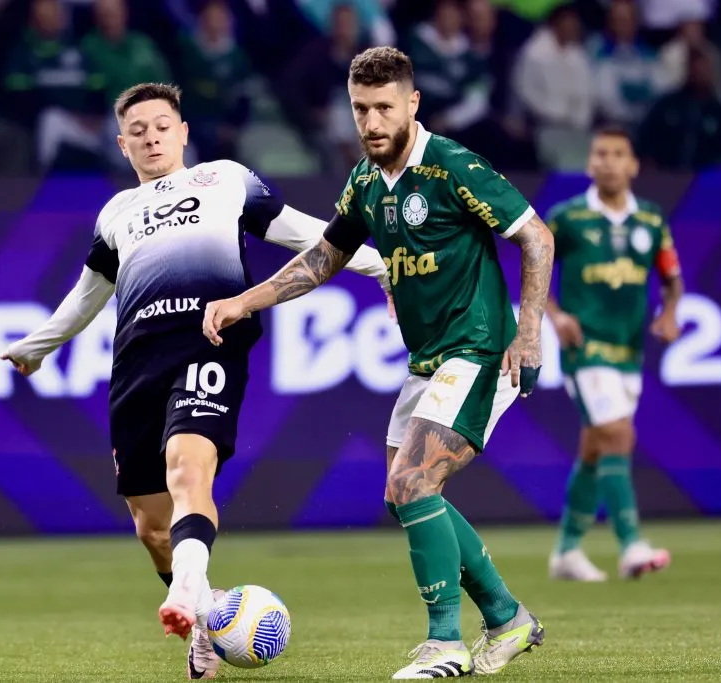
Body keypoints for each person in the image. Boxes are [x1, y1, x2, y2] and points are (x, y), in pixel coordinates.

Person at [0, 82, 389, 680]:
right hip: (135, 362)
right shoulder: (116, 214)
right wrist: (36, 348)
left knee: (188, 467)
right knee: (149, 524)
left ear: (183, 133)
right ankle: (208, 616)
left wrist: (380, 265)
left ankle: (184, 598)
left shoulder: (225, 179)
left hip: (209, 338)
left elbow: (308, 234)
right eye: (138, 131)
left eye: (162, 125)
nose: (151, 136)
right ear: (123, 144)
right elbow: (87, 296)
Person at [203, 47, 552, 679]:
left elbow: (535, 235)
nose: (370, 122)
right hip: (428, 361)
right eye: (360, 108)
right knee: (407, 496)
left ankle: (444, 644)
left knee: (412, 483)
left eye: (384, 107)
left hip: (479, 351)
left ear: (412, 104)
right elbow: (322, 259)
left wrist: (527, 334)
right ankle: (506, 617)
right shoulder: (365, 181)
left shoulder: (451, 165)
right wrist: (243, 302)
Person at [546, 127, 683, 582]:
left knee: (595, 446)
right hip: (584, 349)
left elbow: (671, 276)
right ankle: (631, 546)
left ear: (633, 165)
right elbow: (535, 267)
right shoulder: (567, 218)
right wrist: (555, 314)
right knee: (618, 435)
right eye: (599, 154)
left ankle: (567, 551)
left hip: (628, 352)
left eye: (617, 154)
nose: (607, 161)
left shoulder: (651, 220)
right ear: (589, 164)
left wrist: (670, 313)